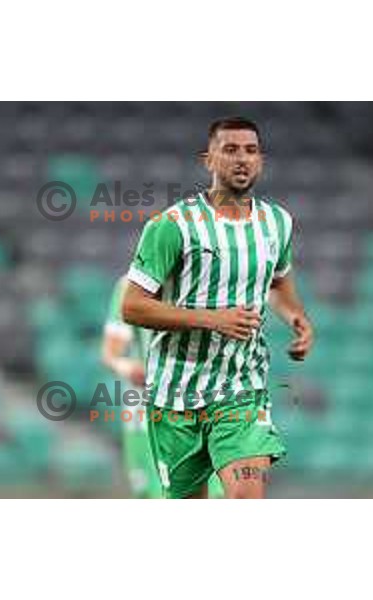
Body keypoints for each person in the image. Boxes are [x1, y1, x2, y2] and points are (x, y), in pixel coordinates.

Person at [122, 116, 314, 499]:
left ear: (261, 160)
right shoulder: (172, 225)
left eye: (250, 150)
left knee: (246, 495)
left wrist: (297, 319)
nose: (241, 159)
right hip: (175, 394)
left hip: (241, 389)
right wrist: (213, 320)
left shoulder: (278, 223)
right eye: (230, 150)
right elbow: (133, 307)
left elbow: (277, 283)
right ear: (207, 159)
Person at [102, 275, 224, 498]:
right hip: (148, 410)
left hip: (202, 405)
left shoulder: (211, 279)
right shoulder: (129, 287)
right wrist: (129, 368)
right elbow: (111, 354)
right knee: (156, 492)